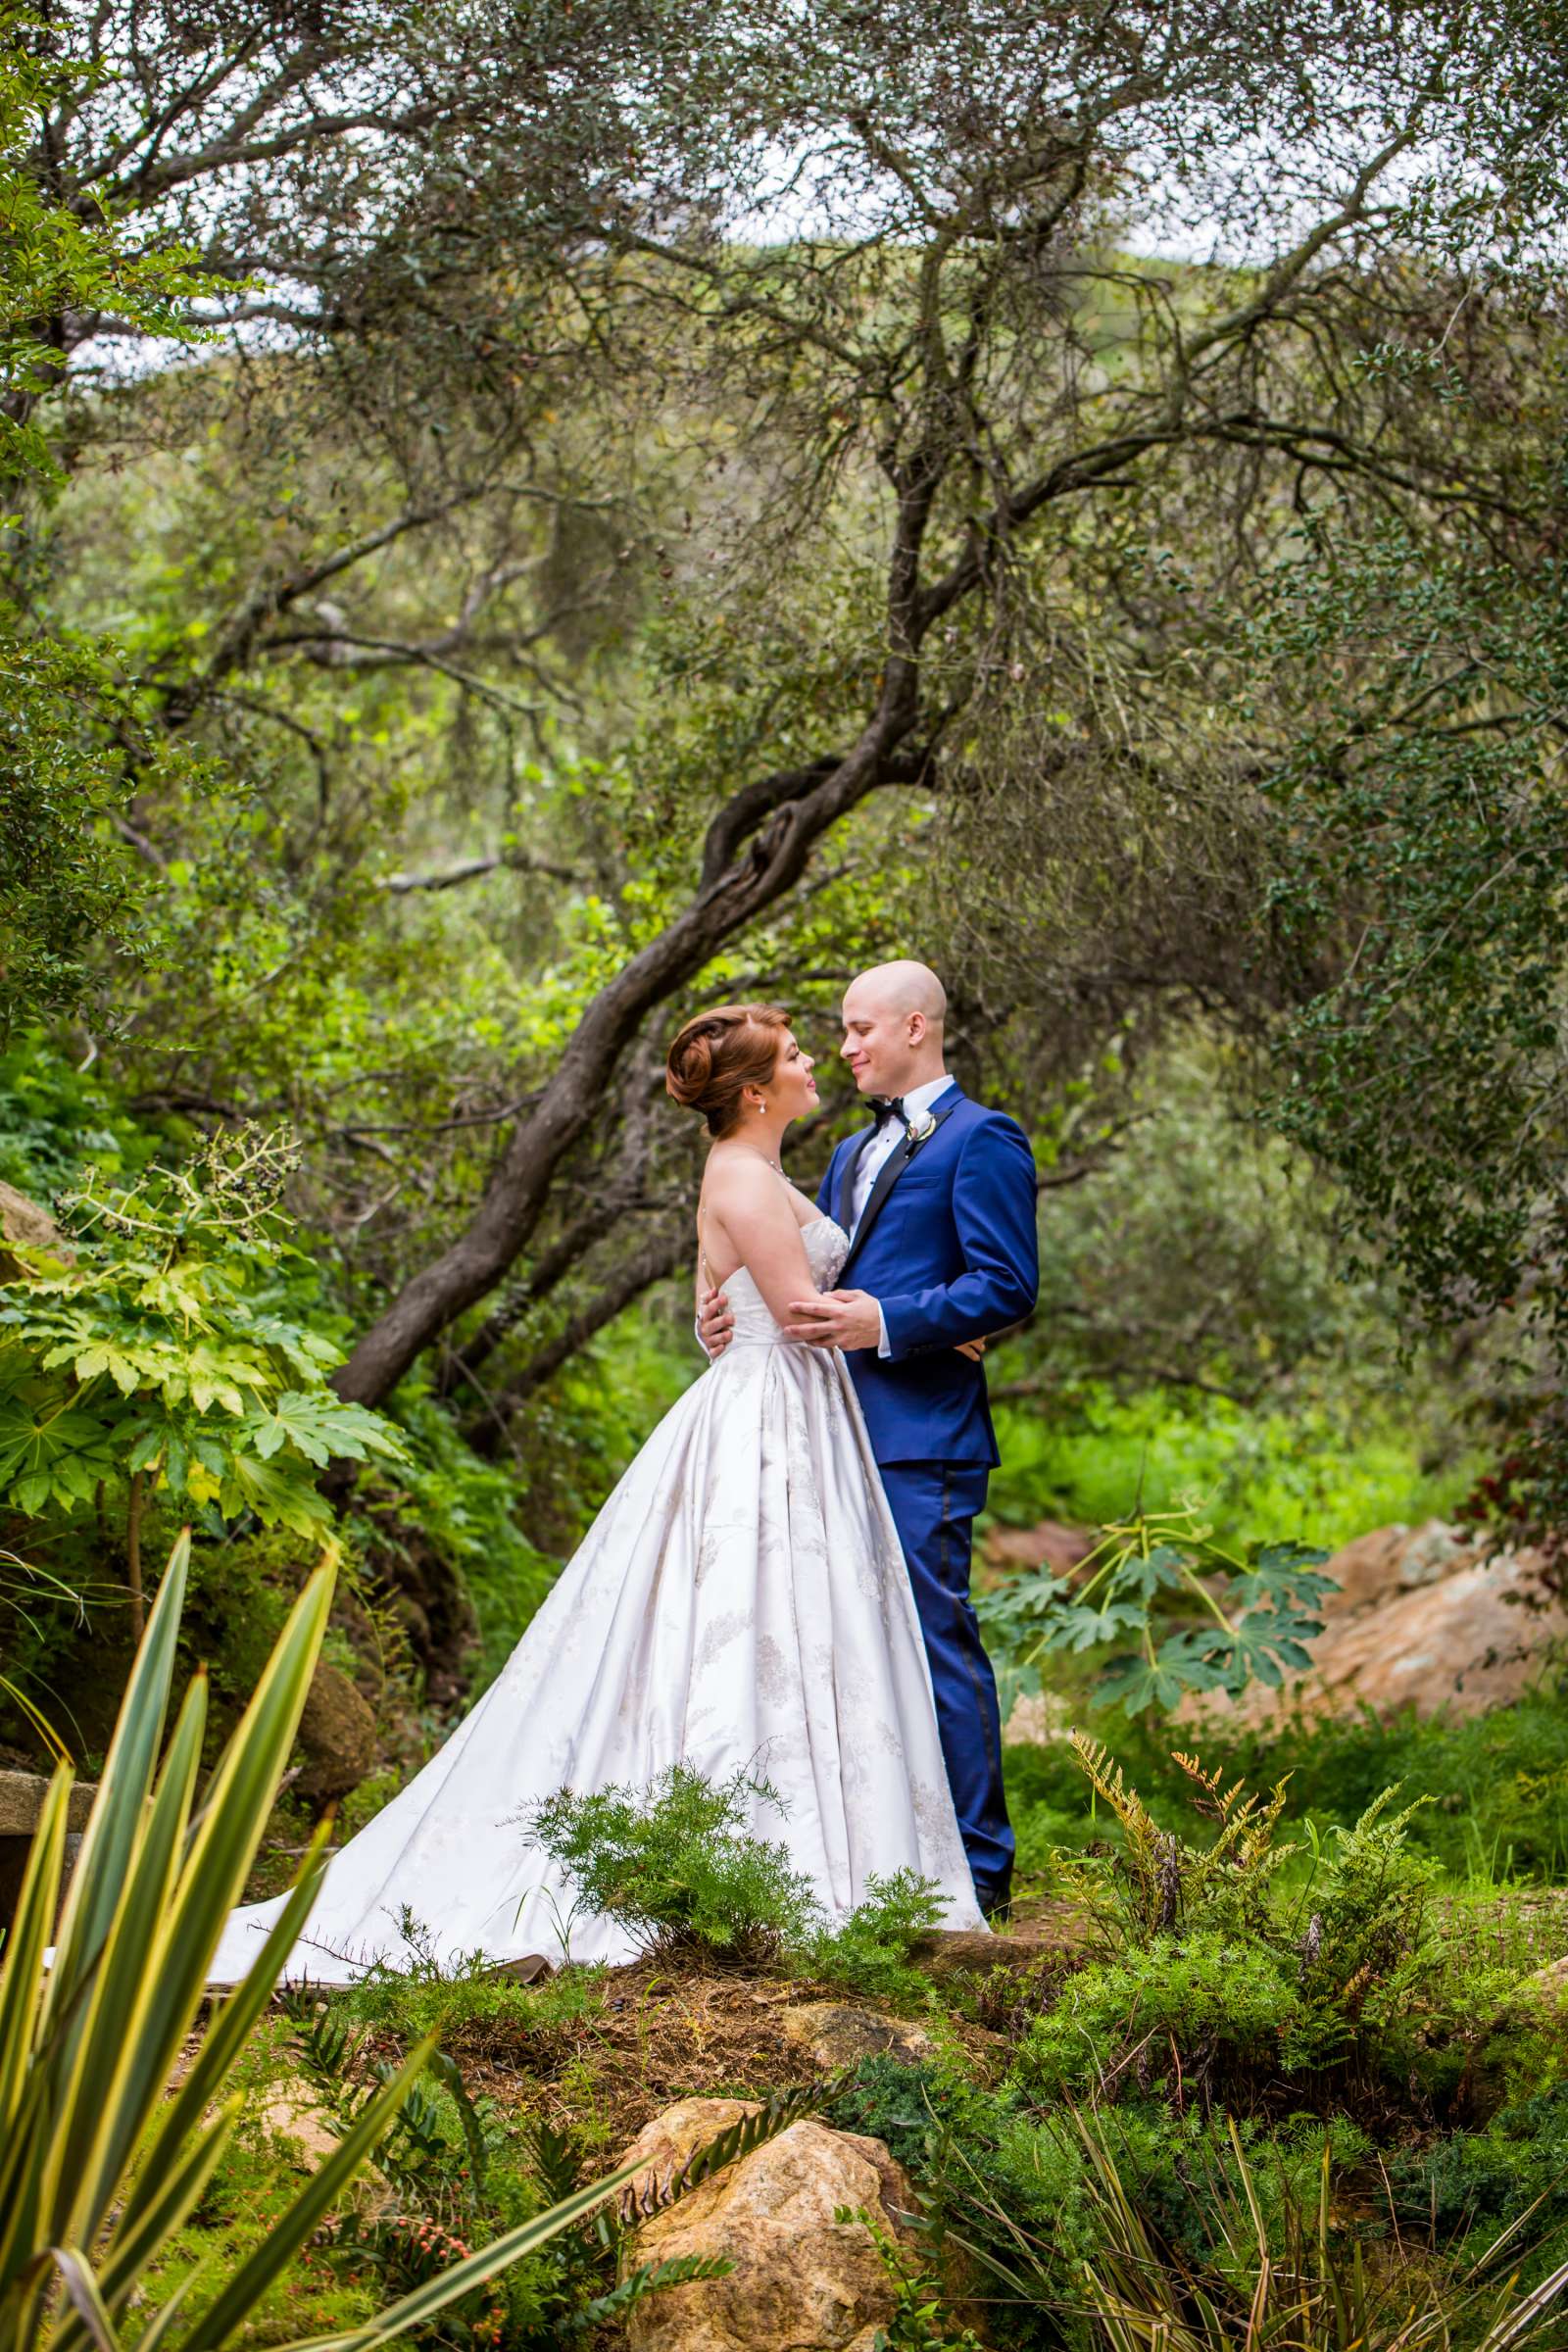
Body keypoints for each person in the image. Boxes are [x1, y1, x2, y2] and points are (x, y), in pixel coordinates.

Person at [209, 1001, 981, 1985]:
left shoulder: (761, 1170)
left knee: (797, 1620)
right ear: (754, 1092)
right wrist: (932, 1324)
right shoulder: (742, 1175)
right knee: (751, 1616)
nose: (812, 1062)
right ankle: (746, 1851)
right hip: (769, 1409)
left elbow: (765, 1295)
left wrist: (880, 1317)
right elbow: (796, 1312)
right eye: (794, 1056)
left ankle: (808, 1847)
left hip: (794, 1407)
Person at [699, 962, 1039, 1918]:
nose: (845, 1047)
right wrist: (719, 1319)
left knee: (934, 1640)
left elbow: (1007, 1285)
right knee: (845, 1651)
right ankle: (875, 1857)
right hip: (822, 1440)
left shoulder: (982, 1140)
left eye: (858, 1029)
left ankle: (978, 1872)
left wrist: (890, 1321)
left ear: (915, 1028)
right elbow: (800, 1273)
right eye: (836, 1035)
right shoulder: (847, 1153)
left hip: (919, 1434)